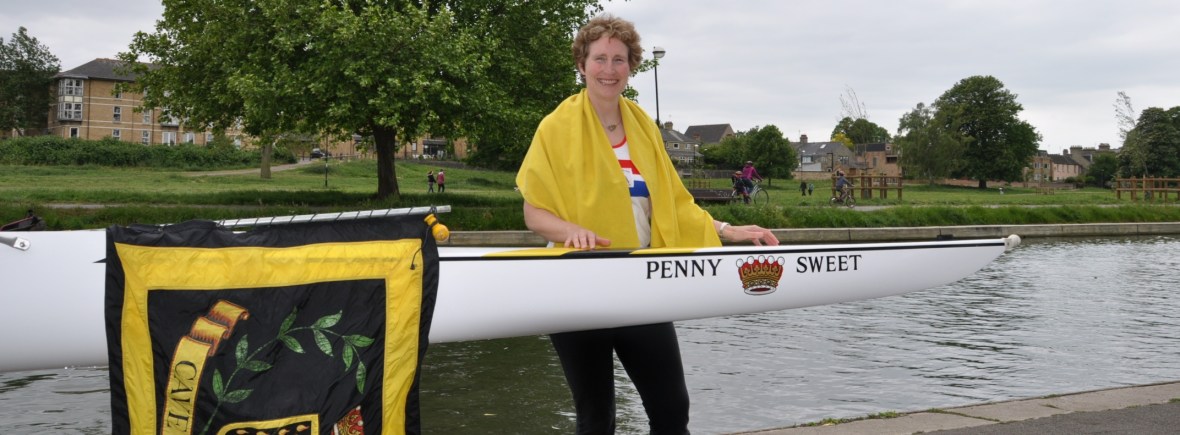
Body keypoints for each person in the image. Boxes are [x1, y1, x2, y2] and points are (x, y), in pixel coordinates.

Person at [515, 14, 779, 434]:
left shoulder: (643, 126)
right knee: (596, 417)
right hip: (576, 285)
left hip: (641, 281)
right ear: (581, 64)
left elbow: (675, 204)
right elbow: (535, 212)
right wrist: (570, 232)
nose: (609, 69)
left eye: (619, 59)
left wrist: (726, 230)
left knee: (672, 409)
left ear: (631, 66)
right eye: (599, 58)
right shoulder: (555, 127)